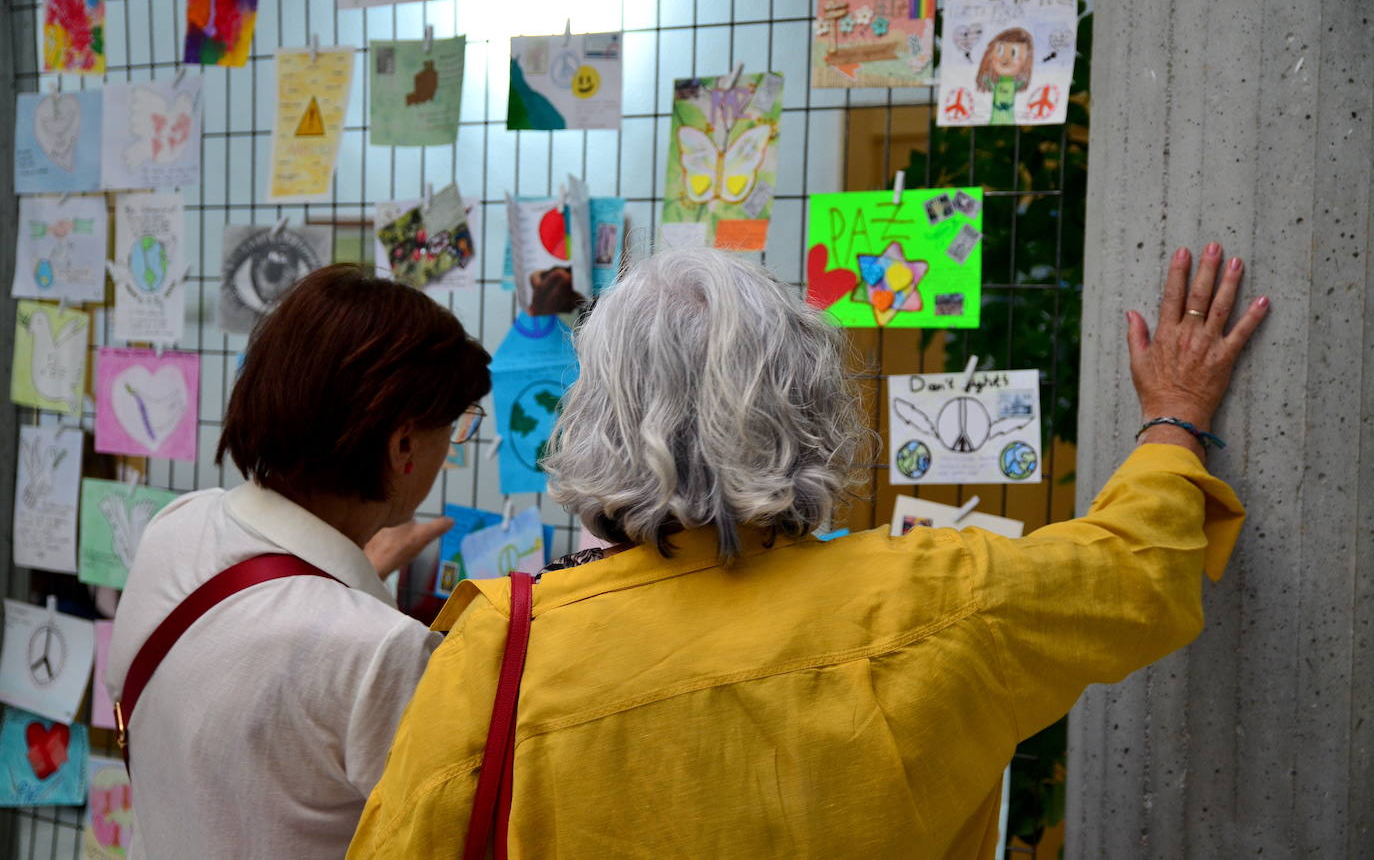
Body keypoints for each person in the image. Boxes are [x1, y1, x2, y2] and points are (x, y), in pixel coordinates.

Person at [348, 244, 1268, 859]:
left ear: (590, 419)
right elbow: (1137, 568)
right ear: (809, 405)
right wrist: (1174, 418)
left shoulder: (500, 652)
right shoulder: (939, 595)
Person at [106, 265, 491, 859]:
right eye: (458, 425)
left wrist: (360, 580)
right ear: (404, 445)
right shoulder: (382, 654)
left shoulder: (178, 525)